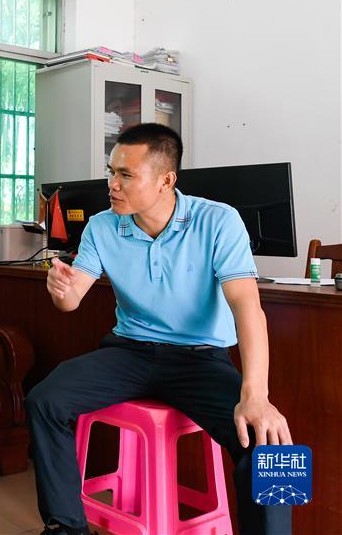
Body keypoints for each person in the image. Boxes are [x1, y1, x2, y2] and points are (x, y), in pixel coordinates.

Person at [27, 123, 292, 535]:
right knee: (44, 400)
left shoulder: (219, 221)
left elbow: (248, 308)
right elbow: (70, 300)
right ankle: (66, 527)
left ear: (166, 179)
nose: (112, 184)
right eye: (110, 172)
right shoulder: (102, 226)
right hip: (129, 352)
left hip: (200, 358)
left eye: (126, 175)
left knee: (271, 443)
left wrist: (256, 396)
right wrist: (60, 288)